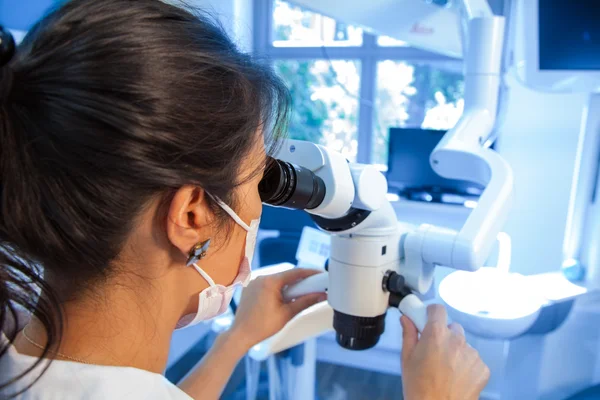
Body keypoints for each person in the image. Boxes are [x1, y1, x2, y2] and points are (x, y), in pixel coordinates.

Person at [0, 1, 490, 399]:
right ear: (191, 214)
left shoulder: (17, 347)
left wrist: (236, 339)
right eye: (259, 180)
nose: (260, 205)